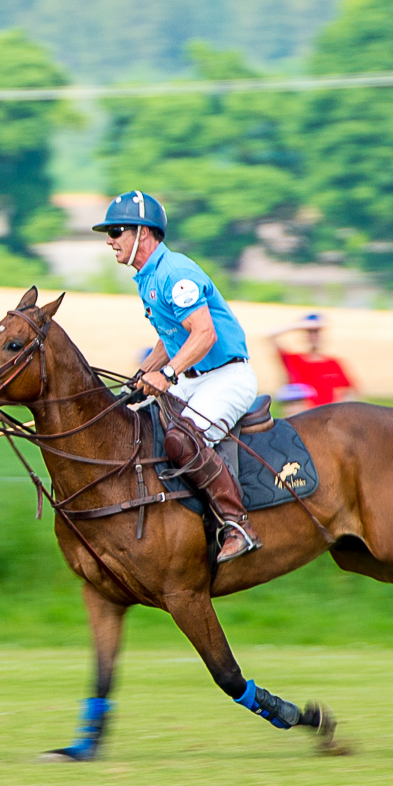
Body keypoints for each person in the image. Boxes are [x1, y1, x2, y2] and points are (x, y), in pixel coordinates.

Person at [100, 190, 259, 562]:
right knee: (141, 428)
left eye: (116, 230)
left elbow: (204, 333)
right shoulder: (148, 276)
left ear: (144, 232)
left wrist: (168, 374)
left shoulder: (175, 274)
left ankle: (237, 525)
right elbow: (172, 333)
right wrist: (145, 372)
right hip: (193, 378)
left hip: (225, 377)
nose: (109, 240)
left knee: (182, 439)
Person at [269, 312, 359, 411]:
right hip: (304, 416)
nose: (313, 337)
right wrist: (299, 326)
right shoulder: (293, 360)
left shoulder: (333, 364)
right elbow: (271, 336)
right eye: (309, 332)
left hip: (328, 417)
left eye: (317, 332)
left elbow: (350, 392)